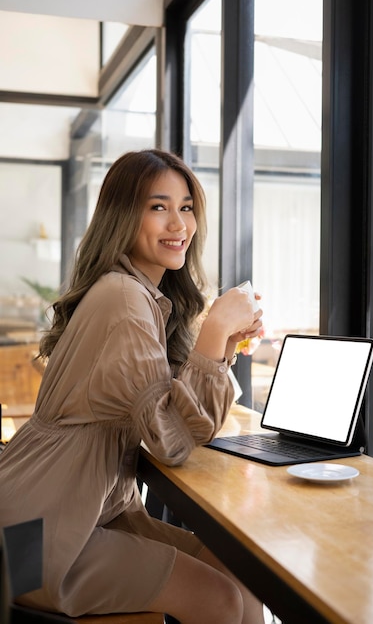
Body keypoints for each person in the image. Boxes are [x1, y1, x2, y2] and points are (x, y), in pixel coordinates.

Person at [0, 149, 265, 624]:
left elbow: (181, 423)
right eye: (158, 206)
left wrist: (220, 342)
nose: (178, 224)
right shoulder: (123, 298)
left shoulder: (134, 294)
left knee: (238, 573)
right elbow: (172, 441)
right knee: (220, 599)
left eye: (187, 208)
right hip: (33, 541)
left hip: (60, 517)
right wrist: (213, 332)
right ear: (123, 214)